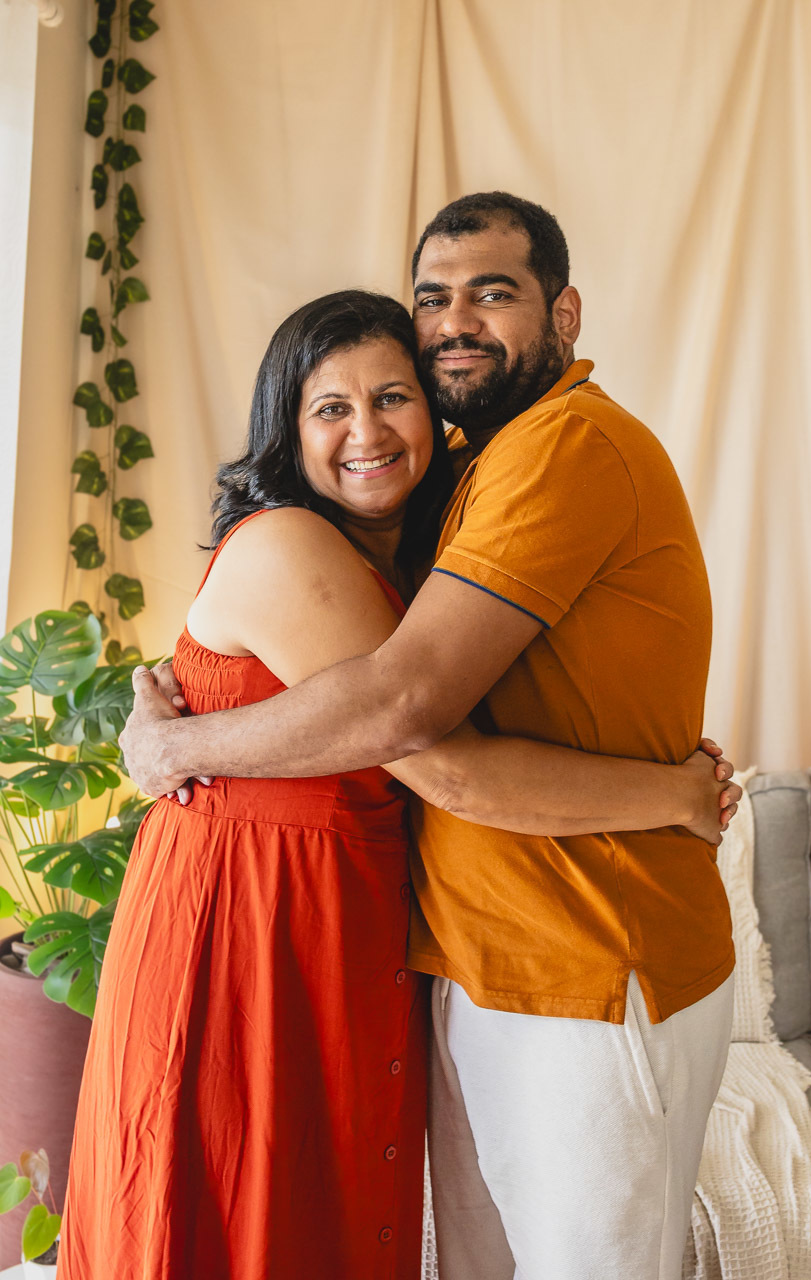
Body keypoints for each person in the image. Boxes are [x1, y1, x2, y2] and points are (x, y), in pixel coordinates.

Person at [121, 193, 738, 1280]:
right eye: (435, 297)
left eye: (492, 292)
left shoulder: (549, 448)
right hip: (326, 932)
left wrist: (187, 746)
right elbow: (423, 735)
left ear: (565, 312)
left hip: (568, 957)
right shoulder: (354, 526)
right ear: (286, 422)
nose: (457, 319)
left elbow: (410, 715)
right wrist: (179, 747)